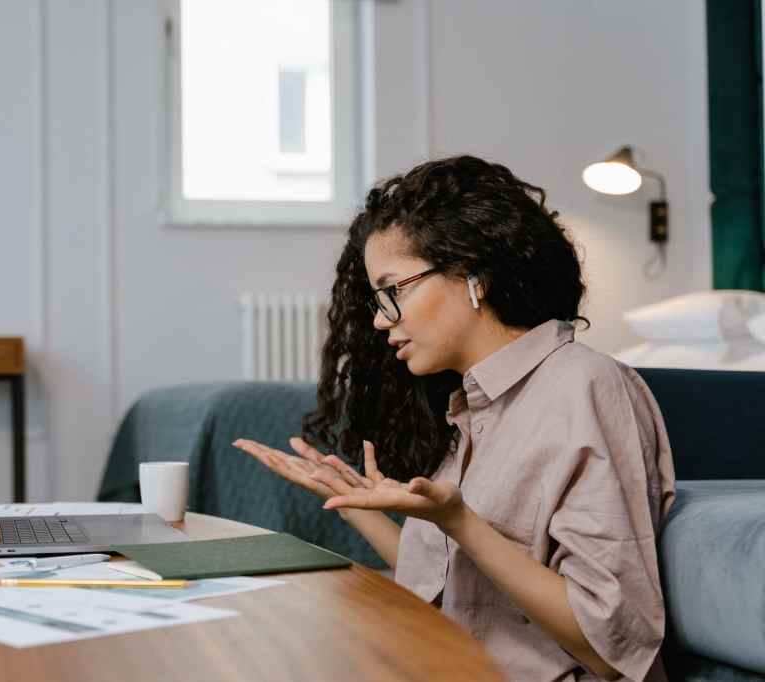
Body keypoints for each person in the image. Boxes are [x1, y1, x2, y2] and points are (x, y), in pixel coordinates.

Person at [233, 155, 676, 682]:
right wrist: (357, 506)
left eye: (394, 290)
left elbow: (613, 647)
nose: (379, 319)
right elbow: (461, 594)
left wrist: (460, 522)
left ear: (474, 274)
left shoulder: (587, 386)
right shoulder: (469, 408)